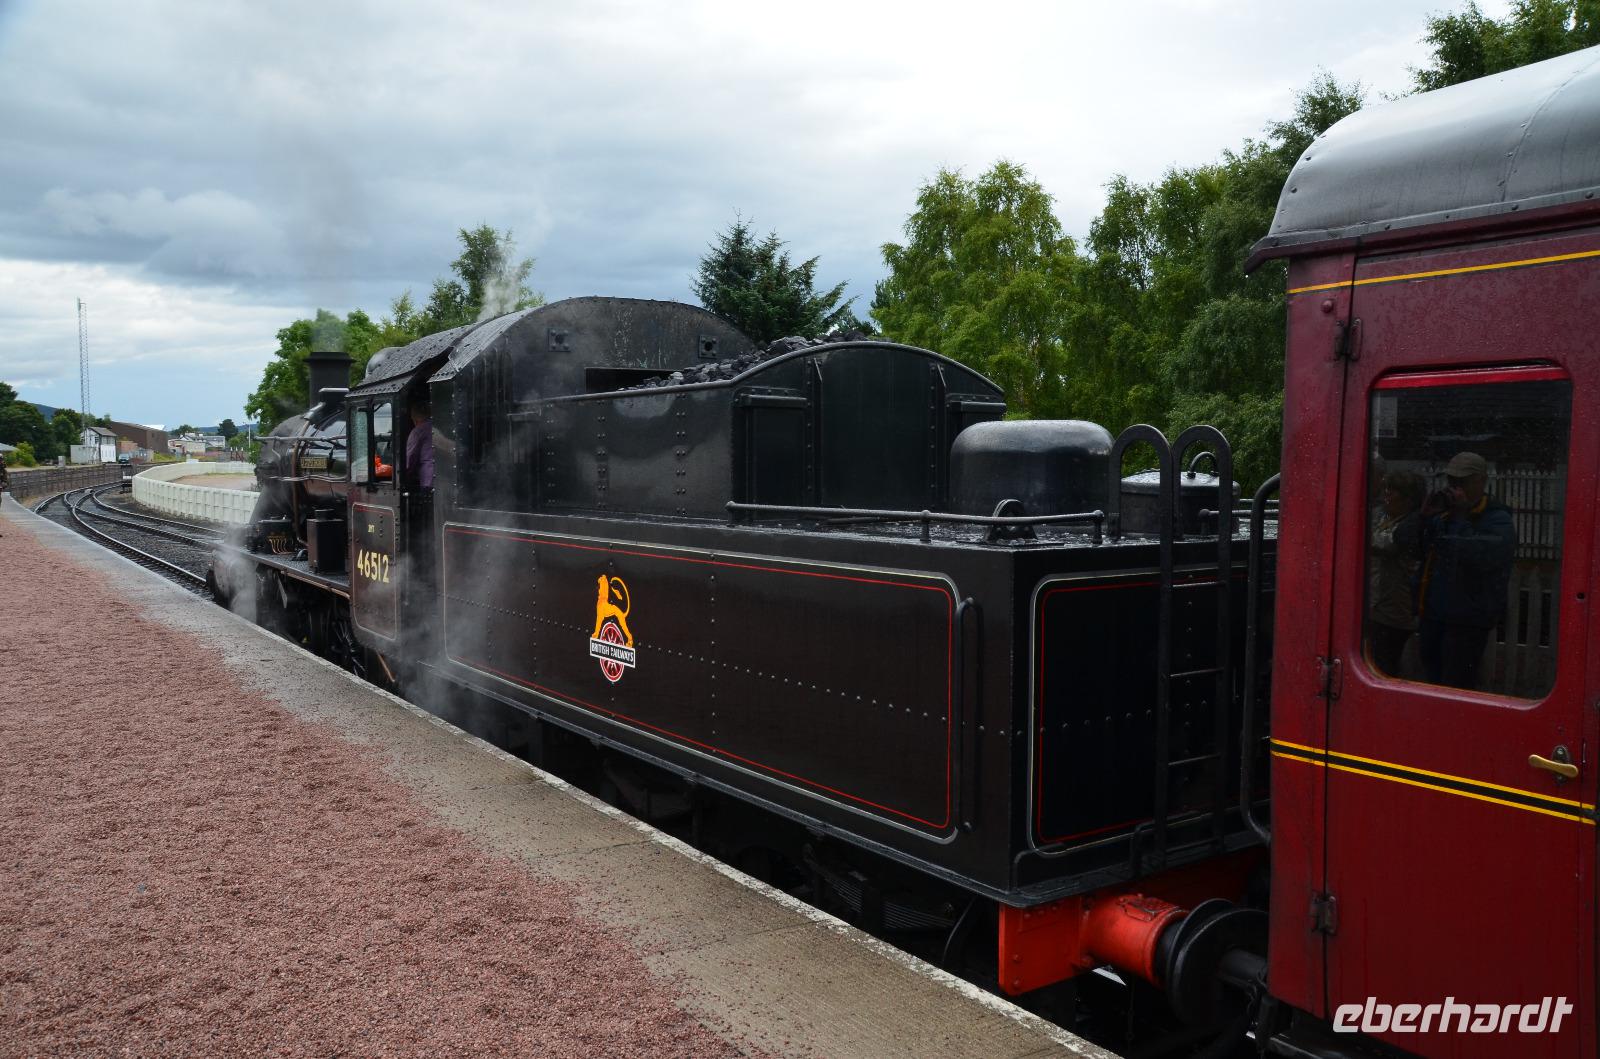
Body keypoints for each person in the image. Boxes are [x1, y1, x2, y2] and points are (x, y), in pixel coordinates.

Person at [1416, 451, 1516, 691]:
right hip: (1435, 616)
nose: (1455, 489)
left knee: (1457, 686)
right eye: (1451, 482)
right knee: (1432, 684)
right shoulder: (1445, 517)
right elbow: (1414, 548)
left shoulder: (1497, 519)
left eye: (1462, 482)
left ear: (1481, 482)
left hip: (1467, 623)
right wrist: (1423, 518)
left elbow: (1479, 558)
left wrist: (1459, 519)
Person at [1368, 469, 1424, 675]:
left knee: (1384, 664)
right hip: (1379, 604)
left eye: (1392, 492)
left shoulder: (1410, 524)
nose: (1386, 496)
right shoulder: (1383, 516)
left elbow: (1386, 545)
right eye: (1386, 490)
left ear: (1408, 499)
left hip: (1394, 610)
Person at [404, 393, 434, 490]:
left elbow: (410, 459)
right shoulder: (437, 427)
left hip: (428, 480)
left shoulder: (417, 431)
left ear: (414, 419)